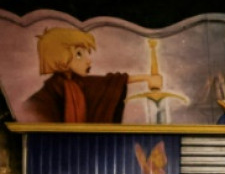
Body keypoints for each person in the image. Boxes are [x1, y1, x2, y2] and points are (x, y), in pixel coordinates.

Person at [22, 27, 163, 123]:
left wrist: (146, 78)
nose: (88, 60)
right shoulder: (43, 99)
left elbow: (111, 82)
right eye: (79, 54)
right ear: (60, 57)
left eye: (87, 53)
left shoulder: (80, 84)